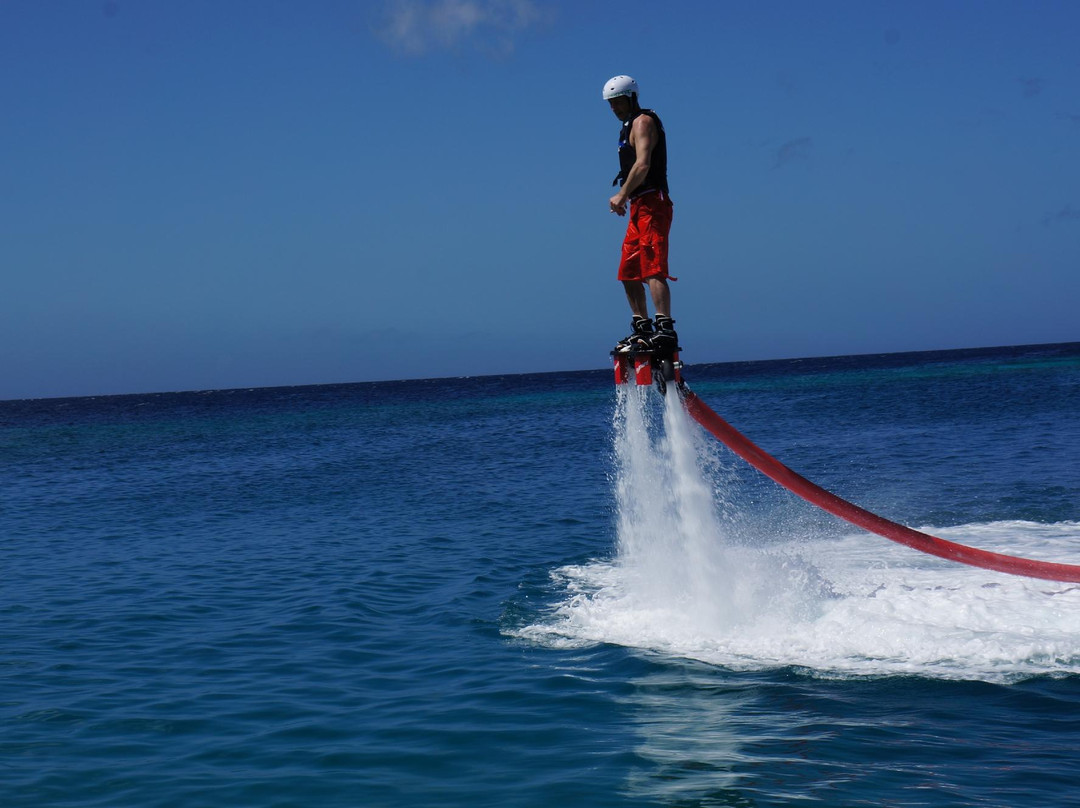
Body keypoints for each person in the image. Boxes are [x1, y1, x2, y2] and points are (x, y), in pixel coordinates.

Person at [603, 74, 679, 355]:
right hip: (638, 206)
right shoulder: (625, 127)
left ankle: (664, 328)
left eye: (618, 102)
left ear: (632, 98)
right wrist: (627, 197)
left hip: (653, 203)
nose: (614, 108)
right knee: (629, 270)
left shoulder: (643, 122)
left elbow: (643, 164)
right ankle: (642, 327)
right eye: (610, 104)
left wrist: (621, 194)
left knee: (653, 266)